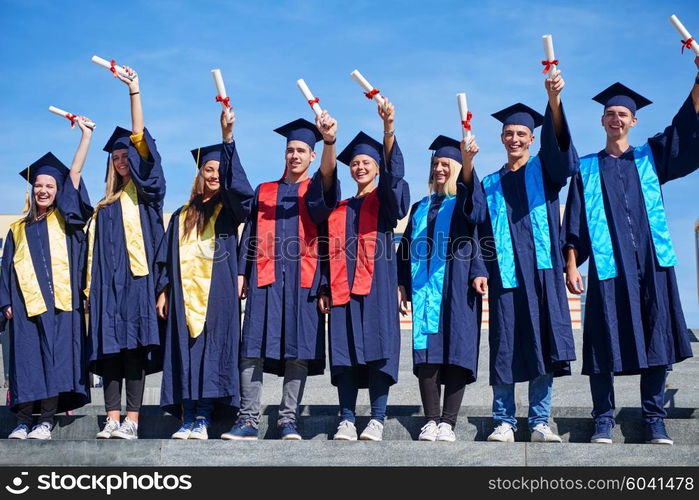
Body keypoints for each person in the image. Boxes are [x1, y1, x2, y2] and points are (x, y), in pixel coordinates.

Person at [562, 58, 699, 445]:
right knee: (603, 341)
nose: (616, 119)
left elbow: (684, 128)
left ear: (634, 121)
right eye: (610, 114)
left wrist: (698, 79)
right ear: (602, 121)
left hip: (652, 264)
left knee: (657, 339)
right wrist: (572, 264)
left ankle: (655, 419)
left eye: (623, 114)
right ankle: (603, 420)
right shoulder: (586, 169)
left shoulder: (650, 158)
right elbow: (574, 223)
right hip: (608, 266)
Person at [471, 70, 578, 443]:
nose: (514, 138)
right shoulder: (489, 183)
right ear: (501, 138)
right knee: (504, 346)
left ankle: (539, 421)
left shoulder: (545, 171)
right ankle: (503, 419)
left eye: (522, 134)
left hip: (543, 273)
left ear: (532, 139)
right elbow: (482, 231)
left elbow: (563, 156)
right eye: (509, 134)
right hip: (506, 277)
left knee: (544, 344)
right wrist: (481, 268)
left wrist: (553, 102)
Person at [222, 112, 340, 440]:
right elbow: (252, 234)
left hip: (305, 281)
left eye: (302, 150)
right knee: (252, 347)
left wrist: (329, 140)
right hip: (265, 279)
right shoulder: (265, 191)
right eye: (290, 150)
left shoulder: (315, 189)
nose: (294, 155)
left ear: (312, 155)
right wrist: (242, 272)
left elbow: (329, 183)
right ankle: (247, 420)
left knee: (298, 350)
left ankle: (288, 420)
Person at [156, 110, 254, 440]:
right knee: (186, 352)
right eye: (208, 170)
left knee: (214, 351)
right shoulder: (182, 215)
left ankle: (205, 416)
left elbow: (244, 195)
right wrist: (164, 289)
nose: (214, 175)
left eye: (219, 170)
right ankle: (188, 415)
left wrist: (228, 141)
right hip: (184, 297)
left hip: (219, 293)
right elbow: (166, 259)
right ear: (199, 174)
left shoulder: (229, 209)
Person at [318, 98, 410, 441]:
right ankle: (346, 418)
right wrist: (325, 286)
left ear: (376, 168)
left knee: (378, 349)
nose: (359, 167)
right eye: (354, 163)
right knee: (344, 353)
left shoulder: (384, 202)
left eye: (366, 162)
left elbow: (394, 182)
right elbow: (326, 251)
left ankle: (377, 419)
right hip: (342, 291)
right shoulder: (338, 208)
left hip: (377, 289)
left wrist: (388, 129)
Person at [85, 65, 166, 440]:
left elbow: (141, 143)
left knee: (134, 351)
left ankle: (132, 420)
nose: (122, 159)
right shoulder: (102, 207)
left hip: (138, 286)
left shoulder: (147, 195)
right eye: (116, 156)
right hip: (107, 290)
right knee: (110, 353)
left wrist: (135, 92)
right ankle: (112, 418)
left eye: (127, 155)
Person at [1, 116, 95, 440]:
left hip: (60, 304)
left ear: (58, 191)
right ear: (32, 189)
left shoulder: (66, 223)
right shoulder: (17, 230)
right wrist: (5, 303)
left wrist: (85, 138)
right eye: (38, 185)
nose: (43, 190)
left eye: (49, 186)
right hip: (26, 307)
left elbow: (76, 176)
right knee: (27, 363)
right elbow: (5, 270)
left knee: (53, 362)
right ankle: (24, 420)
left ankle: (47, 421)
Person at [396, 133, 483, 442]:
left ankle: (448, 421)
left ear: (458, 169)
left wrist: (469, 161)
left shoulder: (463, 202)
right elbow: (404, 248)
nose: (439, 169)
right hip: (425, 291)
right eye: (435, 164)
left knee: (457, 350)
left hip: (457, 288)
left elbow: (477, 215)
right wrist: (401, 283)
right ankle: (431, 420)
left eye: (446, 164)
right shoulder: (420, 207)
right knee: (427, 354)